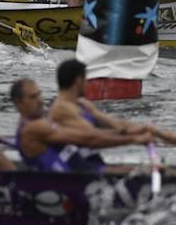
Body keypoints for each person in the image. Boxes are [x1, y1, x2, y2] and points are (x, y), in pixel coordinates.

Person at [42, 60, 176, 171]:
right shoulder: (60, 109)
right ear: (78, 81)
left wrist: (156, 133)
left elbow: (117, 125)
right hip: (72, 168)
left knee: (162, 169)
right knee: (151, 171)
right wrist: (136, 139)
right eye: (86, 80)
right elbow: (93, 138)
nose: (88, 83)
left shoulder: (82, 104)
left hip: (90, 162)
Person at [10, 74, 153, 173]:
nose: (40, 100)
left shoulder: (40, 121)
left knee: (148, 170)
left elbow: (88, 135)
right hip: (71, 184)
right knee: (152, 171)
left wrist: (131, 132)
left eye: (39, 94)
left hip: (81, 171)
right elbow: (89, 139)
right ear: (18, 103)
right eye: (33, 97)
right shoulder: (34, 128)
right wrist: (135, 139)